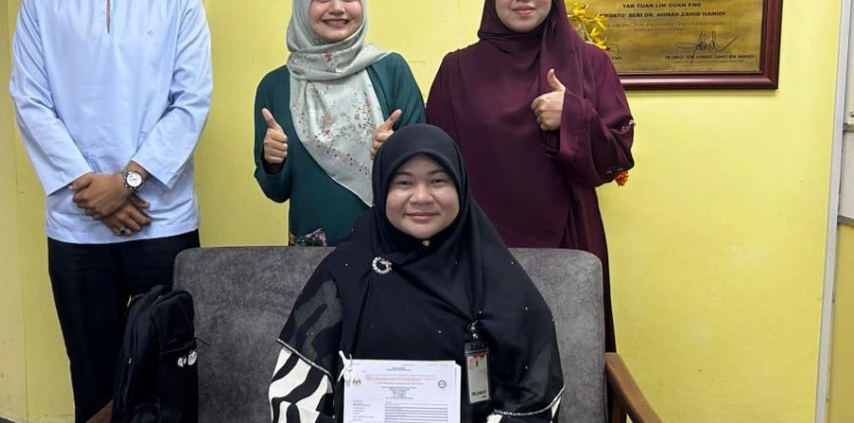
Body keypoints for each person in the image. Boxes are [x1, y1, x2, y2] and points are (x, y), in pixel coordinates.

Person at [269, 125, 564, 423]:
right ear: (382, 188)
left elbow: (534, 400)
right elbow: (292, 398)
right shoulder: (345, 271)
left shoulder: (496, 277)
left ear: (460, 186)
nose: (421, 197)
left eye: (438, 181)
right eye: (404, 183)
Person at [9, 0, 212, 420]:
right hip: (76, 223)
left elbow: (191, 100)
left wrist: (126, 183)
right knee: (92, 378)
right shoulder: (39, 6)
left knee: (170, 375)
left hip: (162, 219)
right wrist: (91, 189)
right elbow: (30, 100)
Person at [426, 0, 635, 352]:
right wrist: (394, 149)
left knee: (571, 355)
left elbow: (617, 156)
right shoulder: (457, 69)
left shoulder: (591, 63)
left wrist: (573, 116)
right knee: (482, 362)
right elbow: (437, 161)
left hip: (569, 238)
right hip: (478, 246)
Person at [254, 0, 427, 247]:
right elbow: (276, 192)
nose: (337, 7)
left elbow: (424, 172)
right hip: (312, 253)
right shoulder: (276, 86)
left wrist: (396, 151)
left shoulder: (391, 71)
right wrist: (273, 162)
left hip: (390, 248)